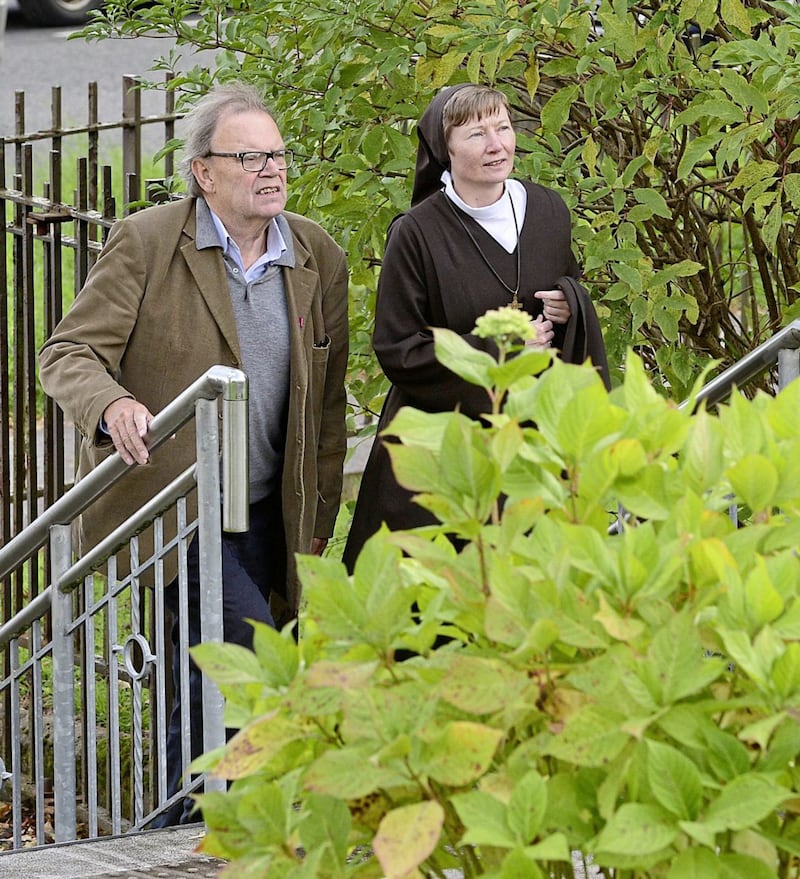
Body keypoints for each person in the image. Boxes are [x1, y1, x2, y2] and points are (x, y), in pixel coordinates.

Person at [38, 81, 349, 824]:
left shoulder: (314, 253)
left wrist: (319, 517)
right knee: (252, 650)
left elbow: (327, 403)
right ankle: (239, 827)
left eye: (276, 154)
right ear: (204, 172)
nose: (270, 169)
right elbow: (69, 350)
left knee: (198, 679)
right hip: (179, 507)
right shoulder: (149, 241)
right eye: (250, 157)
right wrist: (111, 404)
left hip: (273, 507)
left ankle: (182, 829)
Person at [342, 83, 608, 570]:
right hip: (444, 448)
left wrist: (571, 307)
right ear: (445, 150)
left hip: (532, 438)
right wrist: (496, 347)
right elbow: (398, 348)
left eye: (503, 128)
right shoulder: (416, 233)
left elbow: (570, 281)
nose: (497, 145)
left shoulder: (548, 211)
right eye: (476, 133)